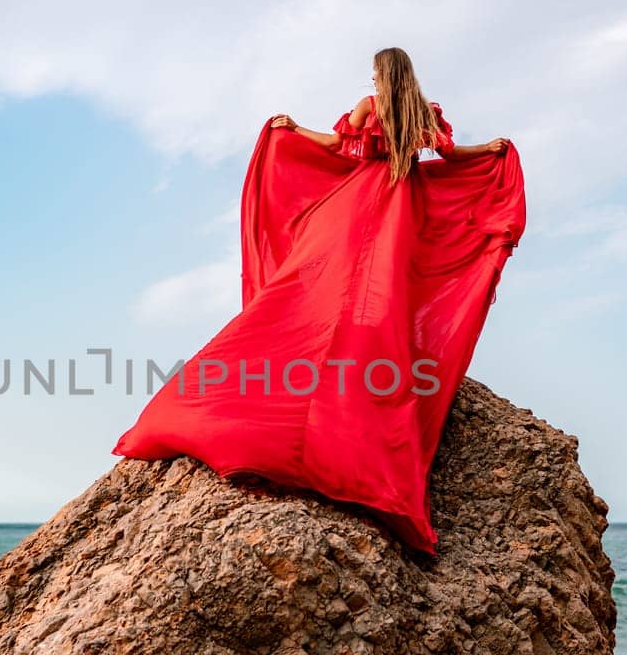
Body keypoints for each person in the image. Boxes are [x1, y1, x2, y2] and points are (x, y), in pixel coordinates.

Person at [112, 46, 526, 559]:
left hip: (358, 204)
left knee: (318, 290)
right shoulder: (426, 112)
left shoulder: (369, 106)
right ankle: (353, 430)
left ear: (381, 74)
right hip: (404, 211)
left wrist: (291, 130)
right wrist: (493, 148)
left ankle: (236, 417)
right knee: (384, 297)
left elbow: (336, 147)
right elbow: (451, 155)